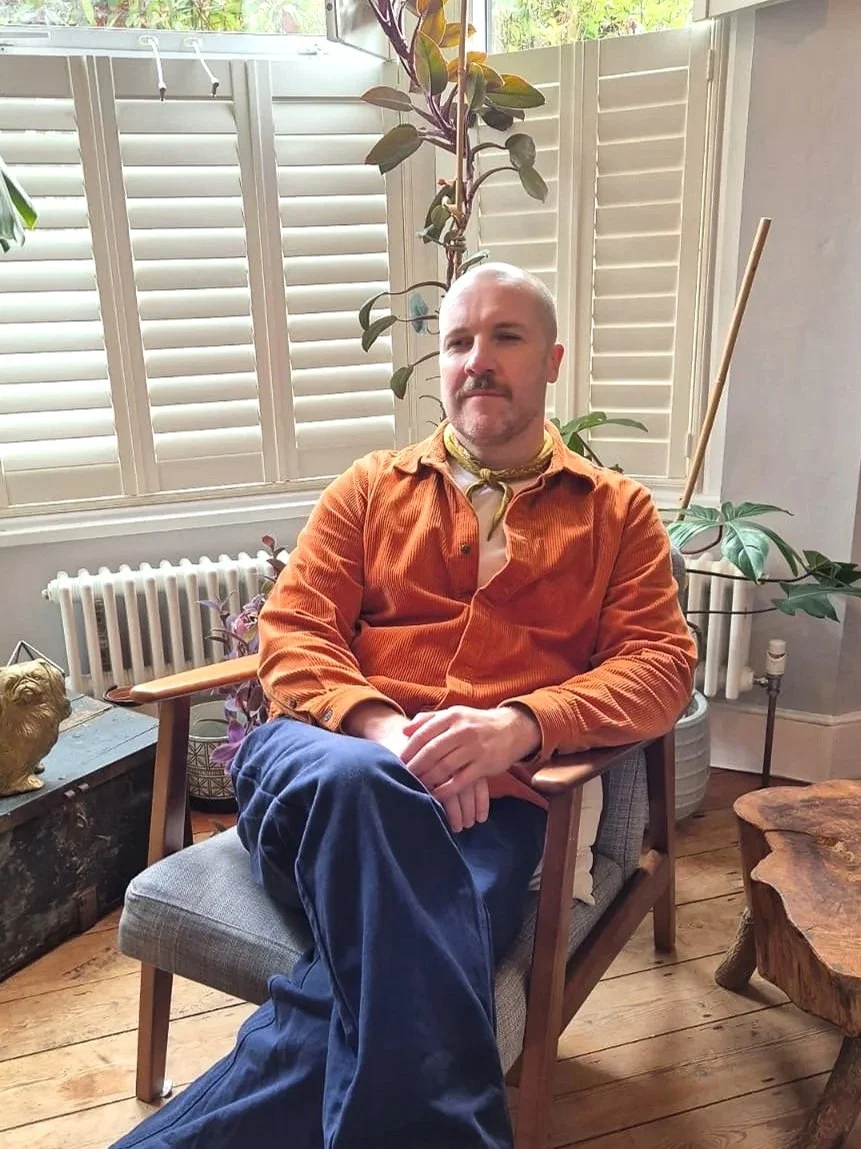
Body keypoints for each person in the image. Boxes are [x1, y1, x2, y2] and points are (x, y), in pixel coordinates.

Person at [112, 262, 696, 1149]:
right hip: (321, 768)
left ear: (551, 361)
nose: (476, 359)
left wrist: (516, 726)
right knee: (365, 786)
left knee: (370, 1001)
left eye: (505, 337)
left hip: (485, 813)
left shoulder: (616, 513)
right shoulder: (370, 487)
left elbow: (659, 666)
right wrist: (385, 733)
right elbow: (292, 632)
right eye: (458, 341)